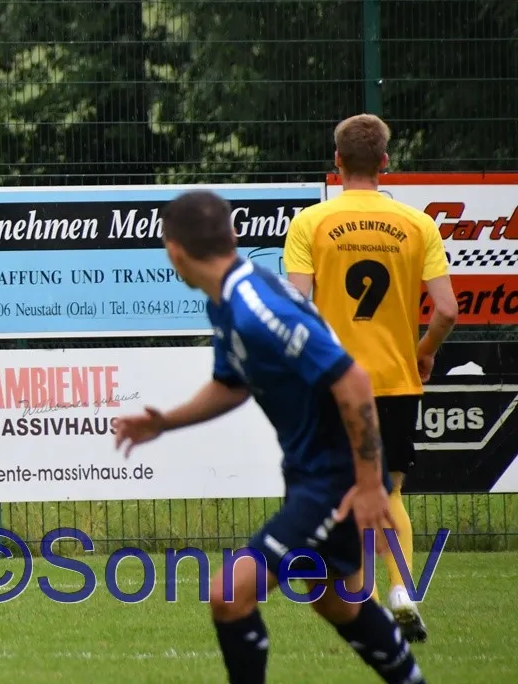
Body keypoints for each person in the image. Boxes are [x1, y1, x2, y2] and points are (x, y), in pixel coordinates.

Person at [113, 190, 425, 684]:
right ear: (233, 236)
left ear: (173, 251)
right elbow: (231, 384)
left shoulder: (255, 307)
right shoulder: (230, 299)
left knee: (229, 594)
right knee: (335, 600)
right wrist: (165, 422)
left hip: (335, 479)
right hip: (310, 472)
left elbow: (353, 381)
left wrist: (369, 483)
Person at [283, 114, 459, 642]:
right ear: (384, 161)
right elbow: (447, 310)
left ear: (337, 161)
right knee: (391, 491)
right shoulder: (418, 224)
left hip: (335, 382)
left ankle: (368, 601)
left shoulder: (311, 223)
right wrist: (423, 353)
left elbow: (295, 307)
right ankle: (403, 590)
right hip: (395, 380)